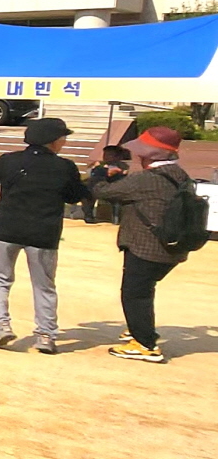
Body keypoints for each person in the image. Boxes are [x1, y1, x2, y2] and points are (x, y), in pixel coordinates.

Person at [0, 117, 87, 354]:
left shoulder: (9, 160)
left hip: (7, 228)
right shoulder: (64, 166)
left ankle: (1, 325)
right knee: (44, 285)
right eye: (63, 137)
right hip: (43, 232)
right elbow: (74, 196)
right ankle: (46, 335)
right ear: (54, 141)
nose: (64, 142)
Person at [93, 126, 199, 363]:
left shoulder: (146, 179)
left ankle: (145, 344)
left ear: (150, 155)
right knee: (144, 290)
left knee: (135, 294)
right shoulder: (180, 175)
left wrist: (101, 174)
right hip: (173, 246)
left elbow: (105, 193)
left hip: (146, 247)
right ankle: (139, 327)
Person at [81, 145, 131, 224]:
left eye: (109, 155)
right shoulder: (99, 165)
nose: (106, 157)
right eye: (105, 154)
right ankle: (88, 215)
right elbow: (89, 174)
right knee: (87, 188)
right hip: (97, 186)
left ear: (118, 157)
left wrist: (117, 172)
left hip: (113, 188)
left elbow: (124, 176)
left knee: (92, 184)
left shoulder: (123, 166)